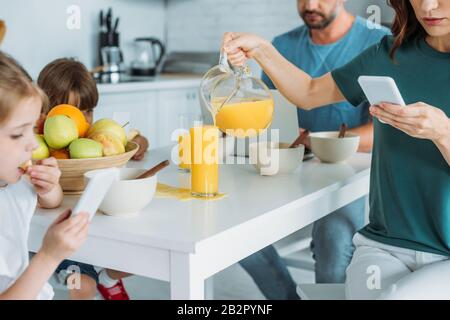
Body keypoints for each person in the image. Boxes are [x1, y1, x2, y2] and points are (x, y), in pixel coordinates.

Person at [223, 0, 450, 299]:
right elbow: (309, 92)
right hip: (383, 247)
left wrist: (443, 132)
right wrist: (262, 49)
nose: (428, 6)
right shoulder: (389, 53)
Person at [238, 0, 389, 299]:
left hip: (351, 171)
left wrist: (318, 139)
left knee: (332, 242)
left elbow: (385, 127)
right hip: (290, 164)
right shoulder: (282, 46)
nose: (311, 5)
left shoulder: (377, 41)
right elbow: (269, 113)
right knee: (237, 234)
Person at [37, 58, 148, 300]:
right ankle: (98, 279)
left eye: (88, 110)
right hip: (64, 237)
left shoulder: (95, 133)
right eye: (72, 113)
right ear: (48, 113)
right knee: (83, 286)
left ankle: (107, 278)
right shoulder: (40, 141)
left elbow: (135, 137)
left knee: (145, 256)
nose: (84, 120)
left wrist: (139, 144)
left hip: (99, 223)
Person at [0, 51, 89, 299]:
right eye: (18, 134)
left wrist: (48, 187)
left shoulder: (11, 180)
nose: (32, 144)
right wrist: (50, 256)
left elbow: (50, 200)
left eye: (32, 129)